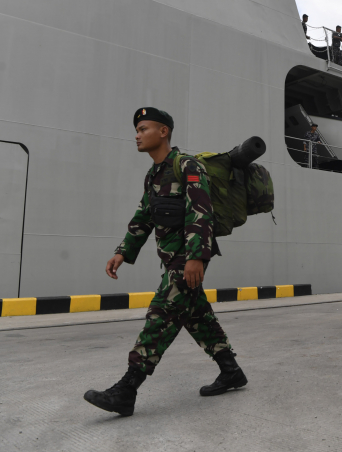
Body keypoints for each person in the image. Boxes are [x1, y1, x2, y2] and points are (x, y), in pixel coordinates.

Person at [84, 108, 244, 417]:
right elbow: (144, 216)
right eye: (137, 129)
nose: (137, 134)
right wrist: (122, 252)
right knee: (196, 316)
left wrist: (196, 257)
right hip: (173, 259)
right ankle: (231, 370)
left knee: (161, 314)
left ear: (163, 132)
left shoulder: (187, 165)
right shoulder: (153, 175)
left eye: (143, 128)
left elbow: (201, 211)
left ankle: (126, 390)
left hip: (188, 257)